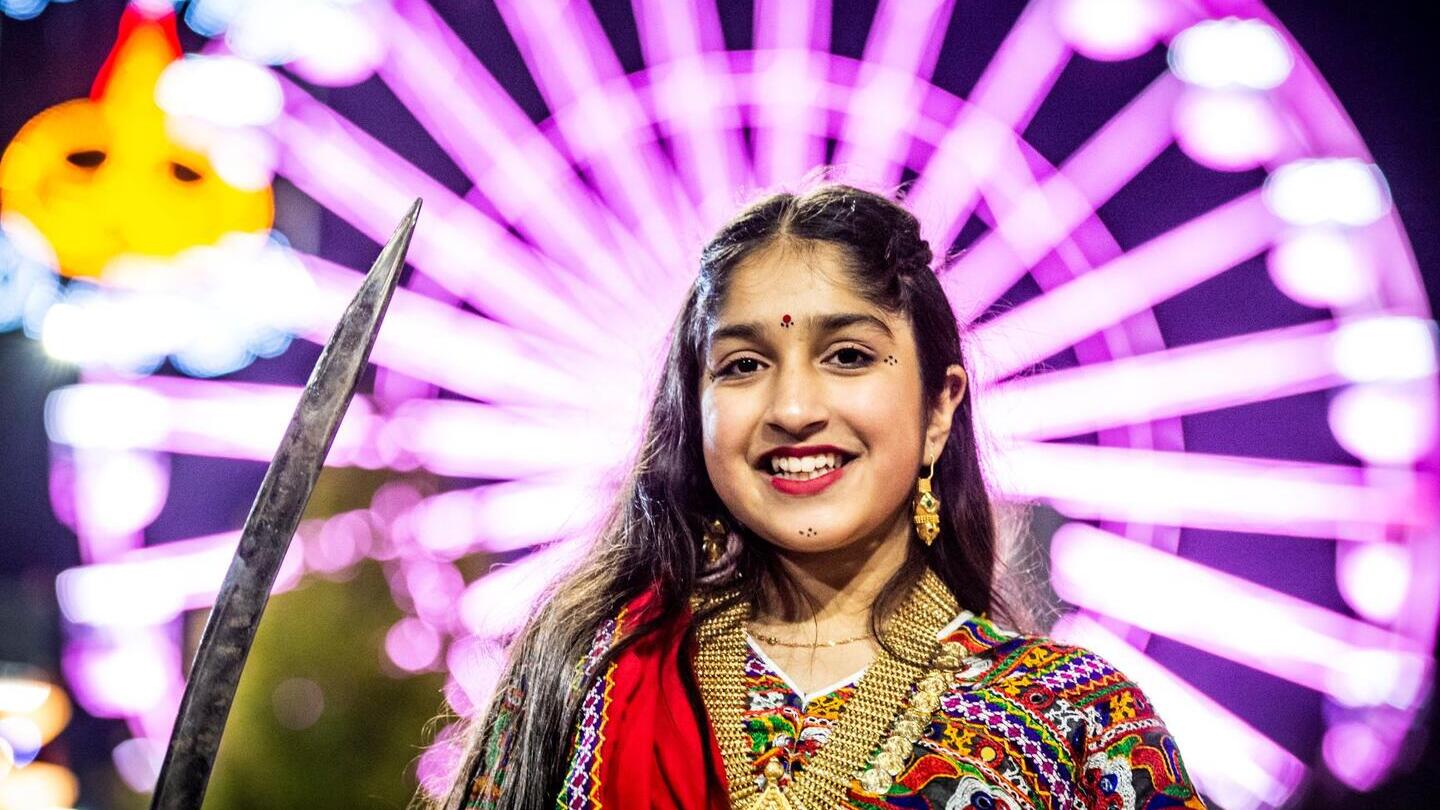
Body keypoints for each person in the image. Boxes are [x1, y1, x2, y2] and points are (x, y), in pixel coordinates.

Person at [440, 184, 1207, 810]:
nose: (794, 409)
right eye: (741, 366)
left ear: (938, 410)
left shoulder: (1079, 720)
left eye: (848, 356)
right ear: (693, 409)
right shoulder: (588, 673)